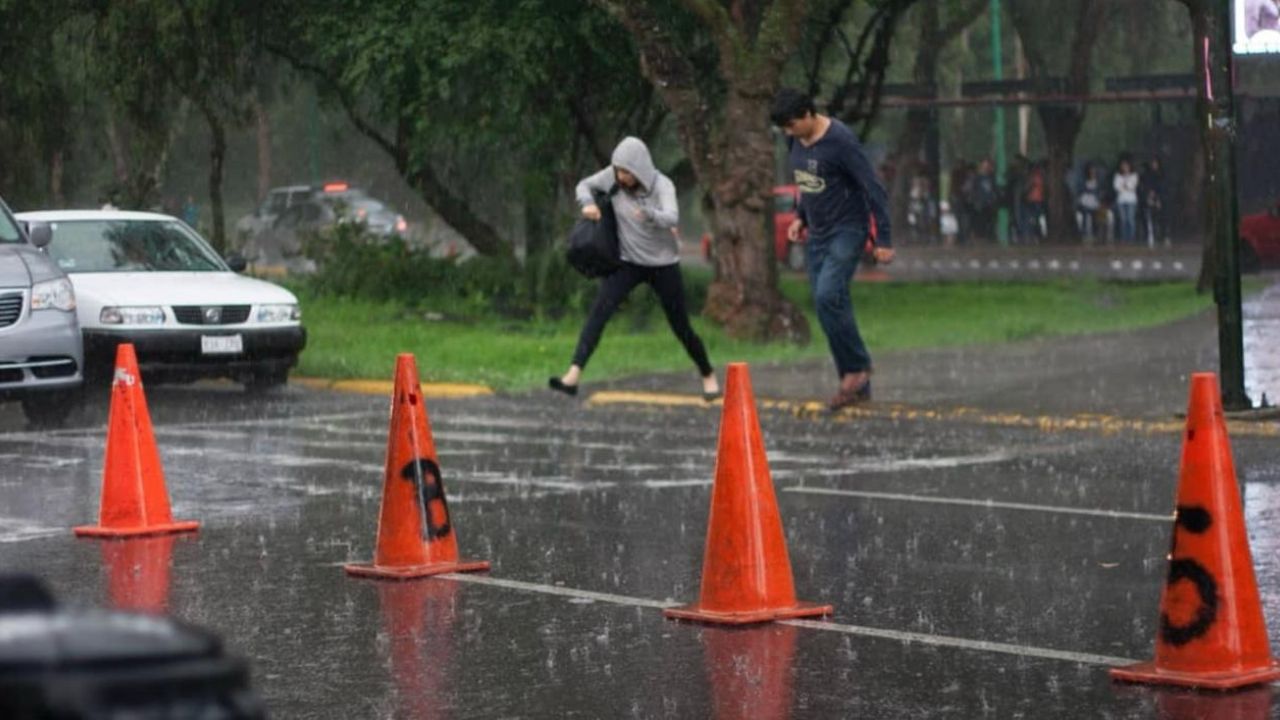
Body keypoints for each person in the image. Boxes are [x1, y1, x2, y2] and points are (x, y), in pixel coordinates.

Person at [550, 137, 719, 400]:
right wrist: (588, 203)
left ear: (640, 169)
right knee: (599, 313)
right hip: (627, 263)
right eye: (618, 170)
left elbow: (672, 216)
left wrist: (651, 214)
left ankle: (707, 374)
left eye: (627, 172)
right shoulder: (613, 177)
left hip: (663, 265)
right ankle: (573, 375)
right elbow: (584, 185)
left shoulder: (662, 185)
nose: (620, 176)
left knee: (680, 326)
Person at [769, 88, 895, 410]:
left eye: (791, 125)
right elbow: (806, 181)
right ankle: (855, 381)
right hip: (818, 233)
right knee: (827, 303)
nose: (788, 133)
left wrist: (883, 240)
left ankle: (857, 368)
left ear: (808, 115)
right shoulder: (794, 139)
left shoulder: (841, 141)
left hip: (848, 229)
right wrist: (800, 216)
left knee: (828, 294)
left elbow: (873, 187)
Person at [1113, 158, 1139, 243]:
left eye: (1126, 166)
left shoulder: (1134, 175)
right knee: (1123, 219)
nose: (1125, 167)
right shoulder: (1118, 176)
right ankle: (1124, 238)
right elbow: (1116, 187)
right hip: (1121, 200)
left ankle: (1131, 238)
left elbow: (1132, 187)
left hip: (1131, 200)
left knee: (1130, 219)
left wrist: (1124, 185)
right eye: (1123, 166)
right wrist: (1125, 186)